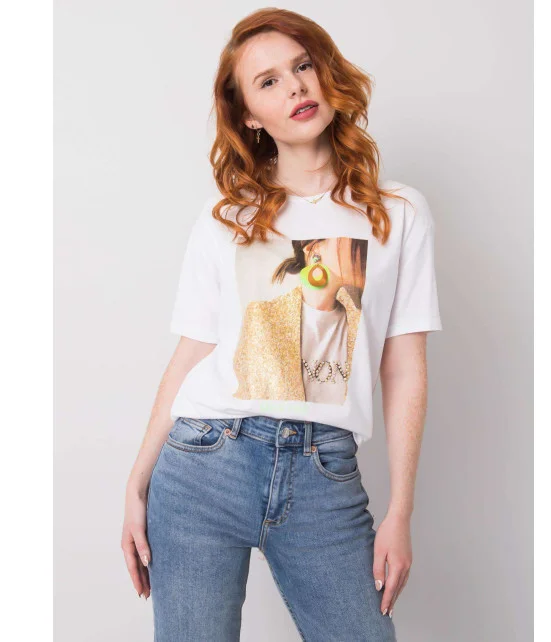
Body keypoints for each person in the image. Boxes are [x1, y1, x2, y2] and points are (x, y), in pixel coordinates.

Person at [121, 8, 443, 641]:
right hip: (204, 462)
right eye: (268, 82)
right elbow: (193, 353)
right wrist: (136, 484)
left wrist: (400, 511)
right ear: (249, 115)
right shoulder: (227, 219)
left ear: (327, 73)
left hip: (324, 473)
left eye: (303, 66)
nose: (295, 86)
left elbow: (404, 366)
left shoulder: (397, 212)